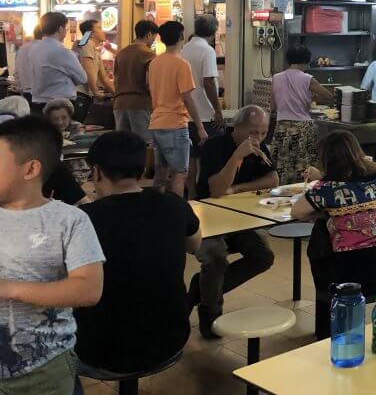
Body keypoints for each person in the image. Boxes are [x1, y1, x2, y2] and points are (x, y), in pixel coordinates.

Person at [75, 131, 200, 378]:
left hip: (100, 353)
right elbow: (195, 245)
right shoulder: (174, 205)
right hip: (170, 341)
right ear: (142, 171)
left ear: (96, 172)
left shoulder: (84, 219)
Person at [0, 115, 104, 394]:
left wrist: (9, 288)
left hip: (44, 366)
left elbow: (88, 289)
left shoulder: (69, 221)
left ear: (31, 168)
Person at [293, 130, 376, 341]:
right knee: (329, 223)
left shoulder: (326, 189)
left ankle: (328, 325)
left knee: (321, 232)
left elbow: (297, 212)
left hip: (352, 273)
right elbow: (351, 184)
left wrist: (325, 209)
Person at [188, 105, 276, 339]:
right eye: (253, 132)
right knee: (216, 259)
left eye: (264, 133)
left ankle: (201, 290)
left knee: (263, 256)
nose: (258, 138)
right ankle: (210, 313)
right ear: (236, 128)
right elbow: (216, 190)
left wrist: (237, 188)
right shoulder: (215, 146)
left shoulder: (260, 147)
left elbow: (272, 178)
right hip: (206, 218)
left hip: (238, 218)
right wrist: (237, 156)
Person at [147, 21, 208, 198]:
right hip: (175, 124)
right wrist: (201, 128)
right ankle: (178, 212)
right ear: (181, 37)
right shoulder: (181, 64)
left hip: (156, 123)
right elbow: (187, 98)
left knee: (160, 173)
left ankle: (157, 209)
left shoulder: (154, 63)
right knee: (180, 173)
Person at [268, 44, 336, 184]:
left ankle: (281, 193)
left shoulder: (276, 78)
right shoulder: (307, 78)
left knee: (282, 166)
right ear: (306, 61)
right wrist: (311, 98)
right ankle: (303, 196)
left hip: (281, 127)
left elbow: (273, 106)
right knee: (303, 167)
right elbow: (329, 96)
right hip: (303, 128)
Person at [182, 14, 225, 195]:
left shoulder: (184, 49)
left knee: (190, 159)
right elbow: (208, 82)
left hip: (187, 114)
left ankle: (191, 195)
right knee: (212, 157)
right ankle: (206, 195)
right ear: (214, 32)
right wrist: (218, 110)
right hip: (206, 115)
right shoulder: (207, 51)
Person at [30, 12, 87, 114]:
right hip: (59, 106)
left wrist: (74, 53)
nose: (66, 31)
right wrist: (74, 54)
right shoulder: (62, 52)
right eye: (66, 28)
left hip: (36, 103)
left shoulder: (33, 50)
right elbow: (82, 78)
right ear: (60, 29)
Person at [113, 20, 158, 140]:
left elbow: (116, 80)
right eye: (154, 37)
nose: (153, 41)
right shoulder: (149, 54)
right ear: (149, 35)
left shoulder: (121, 54)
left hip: (119, 104)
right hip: (140, 103)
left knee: (123, 145)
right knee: (143, 144)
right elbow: (149, 83)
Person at [75, 20, 113, 99]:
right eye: (99, 28)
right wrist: (95, 91)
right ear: (91, 33)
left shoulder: (95, 51)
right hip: (80, 94)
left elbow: (104, 78)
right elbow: (89, 71)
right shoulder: (87, 43)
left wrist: (117, 94)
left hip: (85, 94)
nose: (103, 31)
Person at [14, 26, 42, 106]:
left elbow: (16, 72)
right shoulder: (46, 48)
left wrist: (21, 90)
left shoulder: (22, 48)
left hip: (26, 93)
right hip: (43, 95)